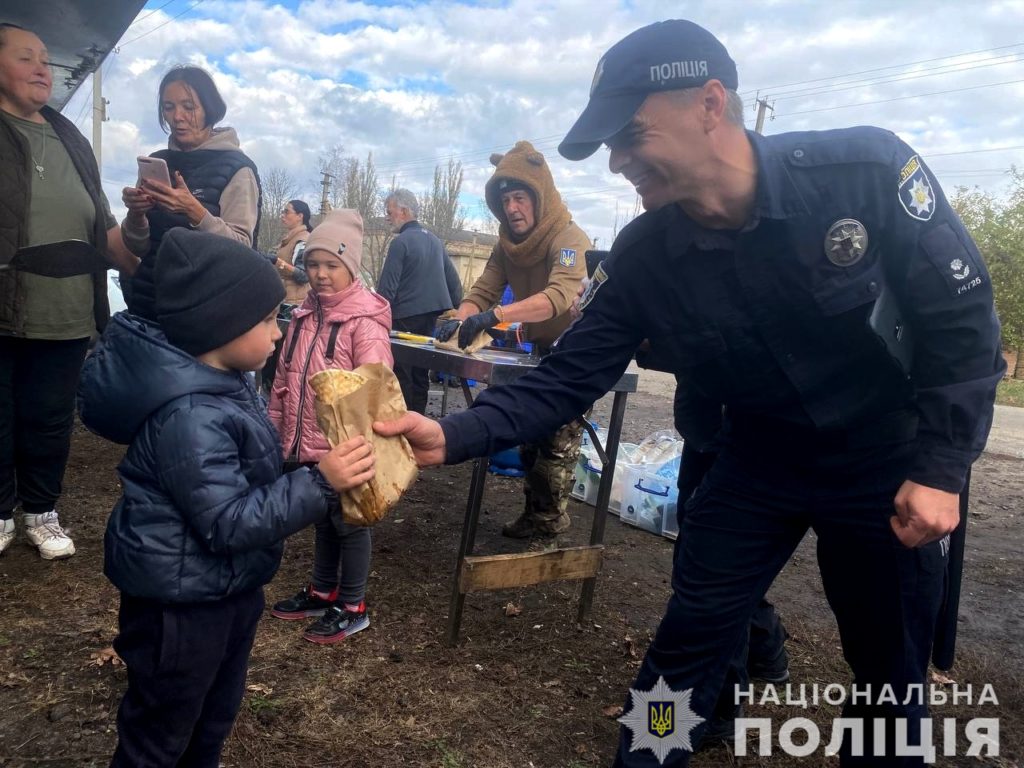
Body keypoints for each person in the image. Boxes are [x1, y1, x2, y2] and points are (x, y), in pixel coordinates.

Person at [378, 19, 1005, 767]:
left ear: (710, 104)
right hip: (754, 461)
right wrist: (455, 434)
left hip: (884, 459)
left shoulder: (865, 174)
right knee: (688, 644)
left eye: (631, 135)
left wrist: (939, 470)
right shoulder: (646, 255)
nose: (618, 163)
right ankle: (645, 757)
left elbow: (963, 326)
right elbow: (572, 374)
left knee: (886, 669)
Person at [77, 228, 374, 766]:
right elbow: (228, 523)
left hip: (223, 595)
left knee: (211, 720)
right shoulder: (190, 416)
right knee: (160, 735)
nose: (279, 334)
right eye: (266, 322)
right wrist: (319, 482)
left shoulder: (226, 384)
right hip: (179, 610)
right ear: (220, 327)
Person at [0, 23, 139, 560]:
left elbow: (101, 223)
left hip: (66, 308)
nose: (43, 68)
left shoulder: (68, 136)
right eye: (26, 57)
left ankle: (40, 510)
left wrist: (135, 257)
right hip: (3, 306)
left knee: (50, 415)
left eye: (45, 59)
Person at [434, 141, 590, 538]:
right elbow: (484, 289)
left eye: (520, 197)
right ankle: (535, 514)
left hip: (575, 352)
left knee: (557, 442)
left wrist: (498, 316)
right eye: (505, 201)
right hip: (538, 352)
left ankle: (551, 522)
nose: (512, 209)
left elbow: (558, 298)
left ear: (541, 197)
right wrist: (458, 317)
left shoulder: (568, 239)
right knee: (530, 437)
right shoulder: (508, 245)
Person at [267, 209, 393, 643]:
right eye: (313, 264)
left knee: (351, 523)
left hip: (346, 447)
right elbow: (283, 379)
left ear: (351, 267)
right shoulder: (303, 317)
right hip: (308, 445)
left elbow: (375, 389)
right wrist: (276, 430)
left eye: (331, 266)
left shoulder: (363, 323)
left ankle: (353, 605)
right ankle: (323, 591)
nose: (320, 275)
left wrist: (361, 447)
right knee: (324, 518)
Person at [120, 64, 262, 320]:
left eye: (189, 107)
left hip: (202, 314)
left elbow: (242, 250)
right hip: (148, 307)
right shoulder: (157, 162)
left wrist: (194, 212)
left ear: (209, 109)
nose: (177, 117)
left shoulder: (238, 169)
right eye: (168, 107)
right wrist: (136, 215)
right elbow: (138, 247)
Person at [377, 188, 463, 414]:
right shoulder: (435, 241)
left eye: (389, 212)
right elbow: (455, 286)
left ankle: (403, 425)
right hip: (430, 319)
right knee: (420, 371)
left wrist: (374, 318)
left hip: (402, 319)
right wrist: (458, 309)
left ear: (403, 211)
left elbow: (386, 290)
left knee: (402, 372)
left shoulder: (400, 243)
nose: (387, 217)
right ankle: (419, 422)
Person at [275, 198, 313, 305]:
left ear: (300, 216)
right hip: (286, 299)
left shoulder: (303, 240)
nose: (282, 215)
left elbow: (303, 275)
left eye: (286, 212)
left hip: (295, 304)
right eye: (283, 212)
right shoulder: (290, 238)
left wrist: (277, 262)